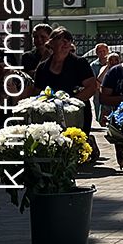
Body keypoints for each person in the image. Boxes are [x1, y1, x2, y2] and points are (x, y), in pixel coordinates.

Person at [33, 27, 101, 159]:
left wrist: (70, 102)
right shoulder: (42, 67)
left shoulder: (79, 63)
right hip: (50, 112)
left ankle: (88, 143)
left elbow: (91, 87)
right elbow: (37, 92)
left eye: (68, 40)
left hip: (76, 112)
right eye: (61, 40)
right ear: (51, 43)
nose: (65, 43)